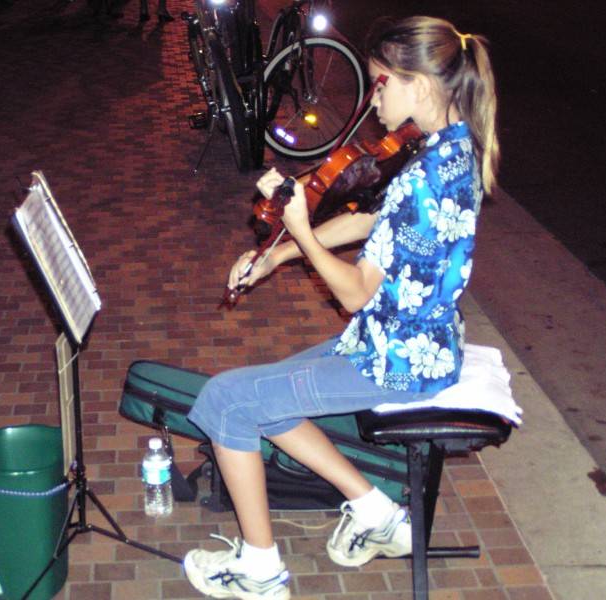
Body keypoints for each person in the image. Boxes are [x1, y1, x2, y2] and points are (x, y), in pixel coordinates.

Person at [183, 15, 500, 600]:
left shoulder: (424, 177)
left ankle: (260, 572)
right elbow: (372, 220)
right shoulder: (454, 150)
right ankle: (377, 513)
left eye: (381, 83)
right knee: (266, 394)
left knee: (227, 399)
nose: (371, 96)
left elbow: (355, 292)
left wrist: (299, 231)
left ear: (421, 87)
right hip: (419, 342)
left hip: (396, 359)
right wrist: (275, 259)